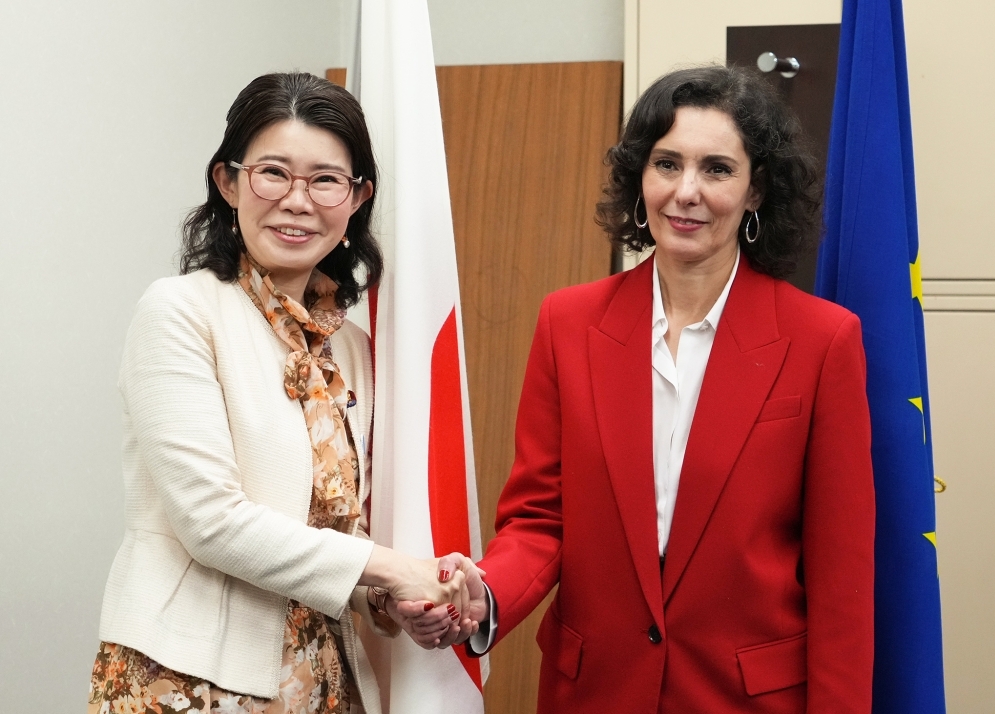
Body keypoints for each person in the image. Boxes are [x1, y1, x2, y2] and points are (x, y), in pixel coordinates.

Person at [415, 65, 877, 712]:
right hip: (595, 694)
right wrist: (483, 592)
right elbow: (540, 521)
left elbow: (842, 581)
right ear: (641, 176)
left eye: (717, 169)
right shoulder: (567, 323)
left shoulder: (822, 341)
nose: (686, 191)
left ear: (756, 191)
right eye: (666, 163)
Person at [87, 72, 473, 714]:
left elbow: (336, 531)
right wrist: (394, 568)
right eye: (273, 173)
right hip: (186, 684)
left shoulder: (351, 346)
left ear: (357, 198)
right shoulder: (180, 312)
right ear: (228, 182)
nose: (298, 201)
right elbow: (211, 523)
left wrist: (394, 602)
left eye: (325, 180)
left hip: (325, 682)